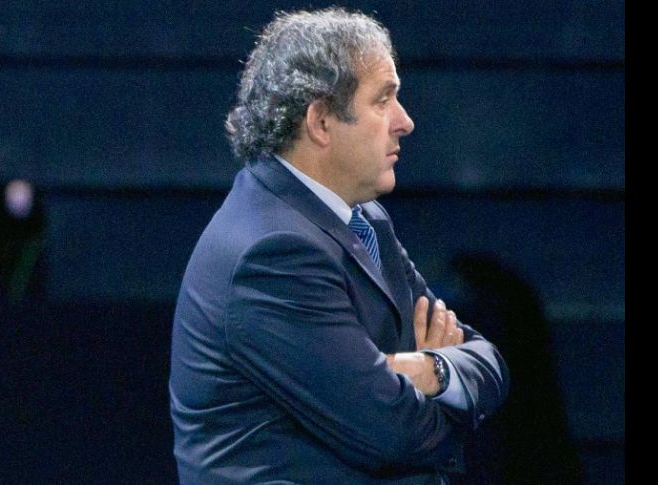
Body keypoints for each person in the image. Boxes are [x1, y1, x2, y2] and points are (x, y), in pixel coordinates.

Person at [169, 8, 508, 484]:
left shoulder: (364, 219)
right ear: (322, 122)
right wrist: (449, 402)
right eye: (383, 100)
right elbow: (395, 433)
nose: (405, 121)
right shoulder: (272, 253)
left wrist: (428, 370)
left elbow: (488, 360)